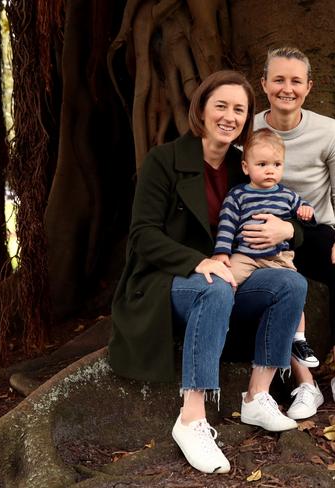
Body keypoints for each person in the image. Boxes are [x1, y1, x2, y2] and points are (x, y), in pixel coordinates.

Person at [108, 70, 308, 475]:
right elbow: (142, 235)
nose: (230, 116)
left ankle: (257, 397)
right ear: (201, 109)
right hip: (168, 280)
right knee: (214, 287)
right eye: (221, 106)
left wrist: (291, 230)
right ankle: (192, 419)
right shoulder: (164, 160)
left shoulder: (244, 165)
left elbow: (287, 210)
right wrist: (198, 261)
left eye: (239, 109)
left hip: (233, 278)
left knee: (291, 283)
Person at [251, 47, 335, 421]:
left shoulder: (328, 131)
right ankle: (306, 384)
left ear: (309, 87)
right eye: (279, 80)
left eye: (296, 81)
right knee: (281, 283)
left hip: (317, 229)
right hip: (269, 233)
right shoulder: (249, 129)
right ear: (264, 84)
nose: (287, 88)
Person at [212, 128, 320, 368]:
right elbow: (227, 225)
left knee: (295, 291)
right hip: (246, 256)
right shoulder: (237, 195)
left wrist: (306, 212)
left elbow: (307, 215)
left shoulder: (287, 196)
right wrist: (221, 253)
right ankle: (221, 320)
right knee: (227, 281)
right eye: (262, 164)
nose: (270, 170)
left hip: (278, 256)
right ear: (245, 167)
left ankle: (299, 340)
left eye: (276, 164)